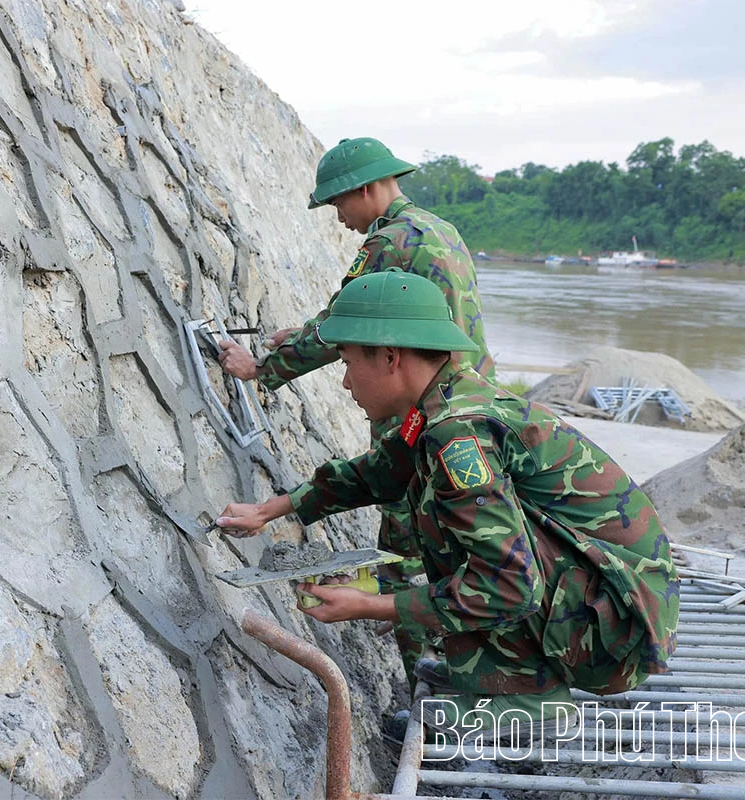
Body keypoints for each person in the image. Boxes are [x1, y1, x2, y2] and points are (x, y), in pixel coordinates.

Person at [216, 270, 679, 737]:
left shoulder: (457, 433)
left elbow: (510, 584)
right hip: (609, 602)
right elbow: (383, 471)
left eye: (349, 362)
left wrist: (375, 605)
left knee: (469, 535)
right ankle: (491, 672)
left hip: (619, 628)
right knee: (455, 514)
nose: (345, 383)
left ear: (391, 357)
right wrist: (272, 509)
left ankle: (530, 699)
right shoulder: (445, 401)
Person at [217, 136, 494, 686]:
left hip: (417, 409)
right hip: (462, 392)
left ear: (365, 189)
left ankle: (430, 690)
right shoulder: (440, 231)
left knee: (407, 551)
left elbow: (344, 322)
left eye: (339, 203)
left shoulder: (387, 242)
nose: (340, 218)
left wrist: (261, 368)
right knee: (445, 544)